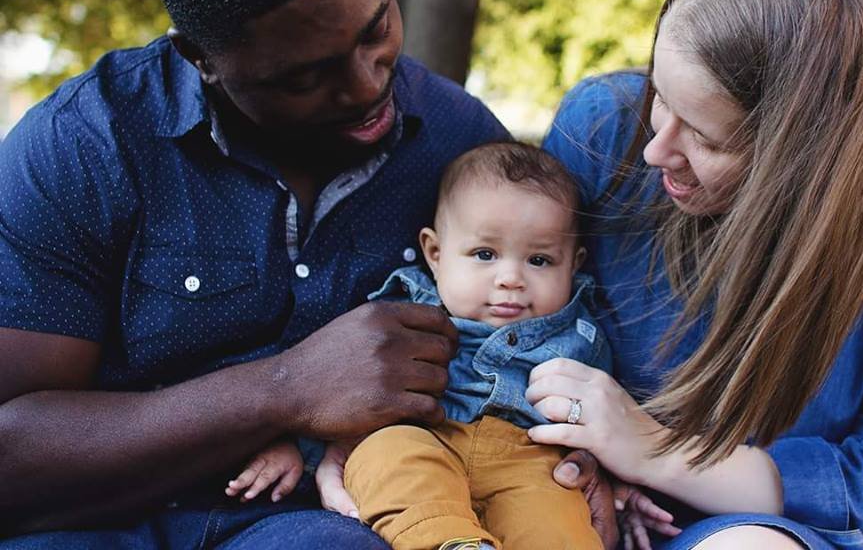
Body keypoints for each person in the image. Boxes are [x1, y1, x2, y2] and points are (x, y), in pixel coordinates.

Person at [0, 0, 516, 546]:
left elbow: (537, 342)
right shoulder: (84, 145)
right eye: (304, 75)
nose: (364, 85)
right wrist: (286, 387)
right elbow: (10, 451)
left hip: (316, 523)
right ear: (202, 59)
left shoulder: (460, 145)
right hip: (94, 524)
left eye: (376, 27)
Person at [527, 0, 863, 550]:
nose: (655, 150)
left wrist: (657, 453)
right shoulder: (602, 128)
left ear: (805, 162)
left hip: (761, 530)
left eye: (705, 139)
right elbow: (516, 315)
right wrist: (582, 457)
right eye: (659, 95)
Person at [225, 142, 618, 550]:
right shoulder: (403, 311)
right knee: (389, 457)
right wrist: (299, 447)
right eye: (485, 254)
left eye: (539, 260)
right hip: (424, 435)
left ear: (574, 263)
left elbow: (605, 417)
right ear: (435, 253)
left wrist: (619, 481)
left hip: (530, 462)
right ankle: (450, 544)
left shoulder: (583, 335)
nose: (510, 278)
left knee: (557, 518)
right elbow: (346, 392)